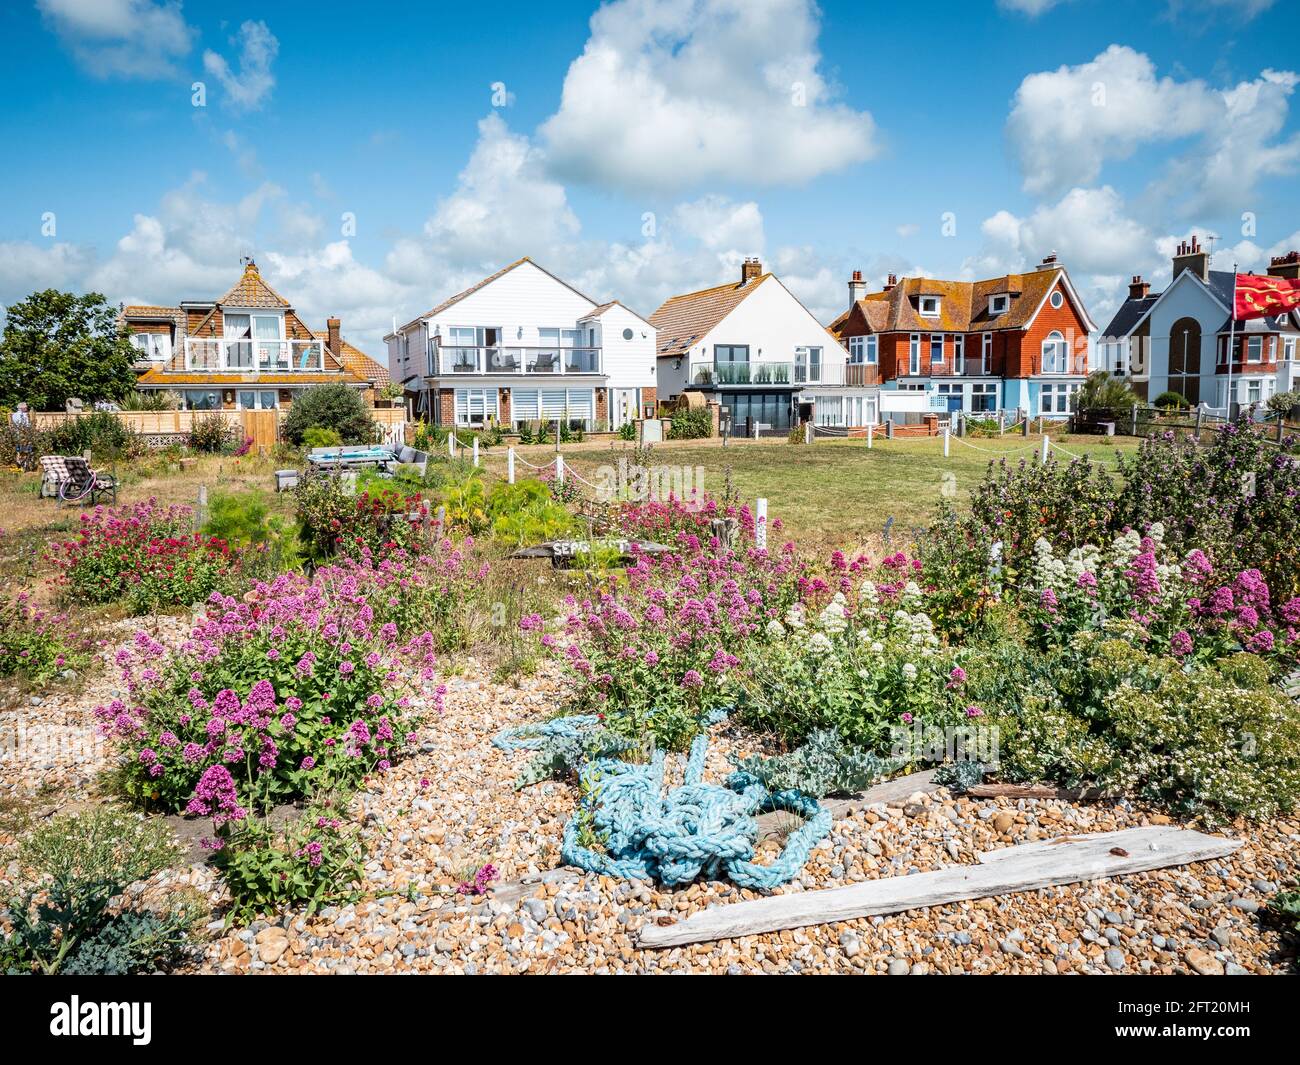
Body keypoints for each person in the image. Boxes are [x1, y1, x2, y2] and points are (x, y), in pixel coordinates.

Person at [10, 402, 34, 470]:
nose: (27, 408)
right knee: (27, 448)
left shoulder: (14, 415)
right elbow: (26, 425)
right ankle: (25, 463)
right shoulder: (24, 415)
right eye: (26, 407)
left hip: (16, 434)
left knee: (19, 448)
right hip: (23, 434)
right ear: (22, 408)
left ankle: (18, 460)